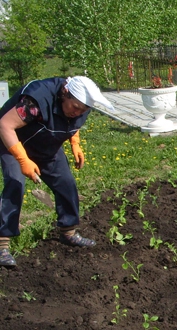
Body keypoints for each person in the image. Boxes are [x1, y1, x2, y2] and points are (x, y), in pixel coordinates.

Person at [0, 76, 115, 267]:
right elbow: (5, 125)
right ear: (65, 94)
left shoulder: (81, 107)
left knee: (66, 183)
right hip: (13, 141)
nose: (77, 112)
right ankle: (2, 244)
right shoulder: (36, 101)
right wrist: (22, 159)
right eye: (75, 107)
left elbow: (73, 123)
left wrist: (75, 143)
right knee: (15, 182)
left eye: (83, 109)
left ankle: (68, 232)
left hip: (46, 144)